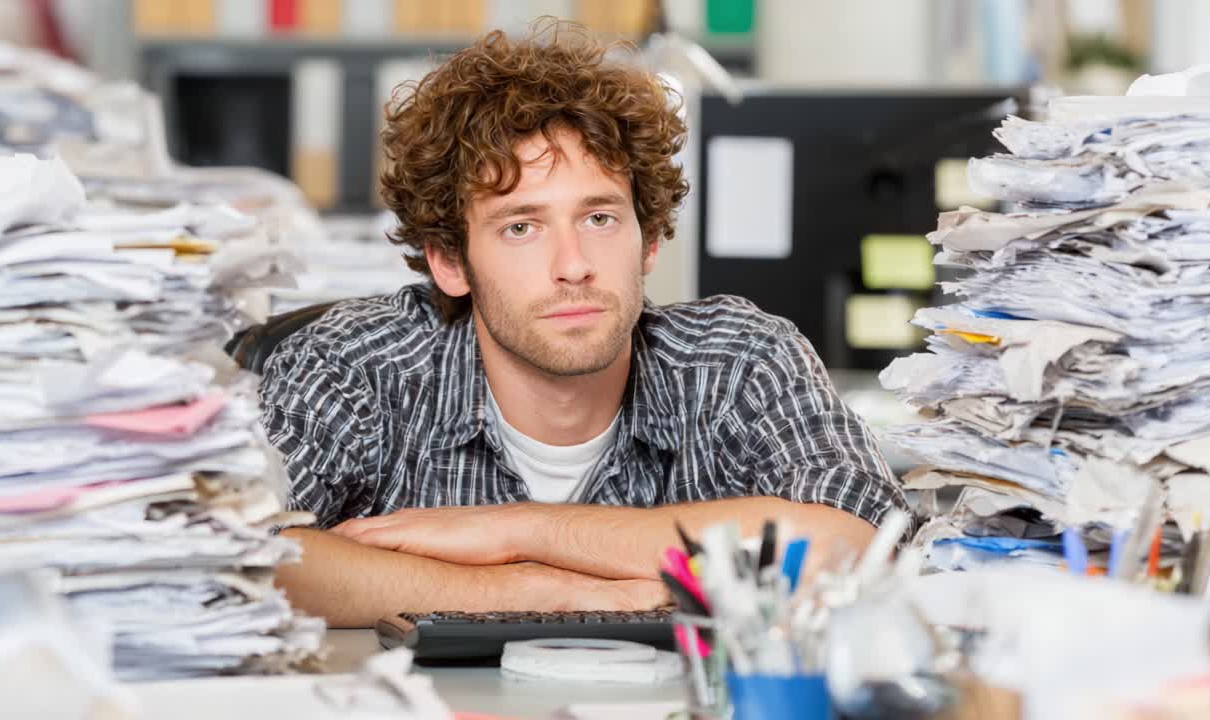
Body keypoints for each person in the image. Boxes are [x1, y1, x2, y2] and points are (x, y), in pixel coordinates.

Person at [260, 22, 905, 628]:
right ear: (450, 262)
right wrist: (538, 590)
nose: (573, 266)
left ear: (648, 240)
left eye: (599, 219)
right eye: (521, 227)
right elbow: (235, 557)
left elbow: (857, 543)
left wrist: (525, 530)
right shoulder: (356, 367)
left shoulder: (739, 362)